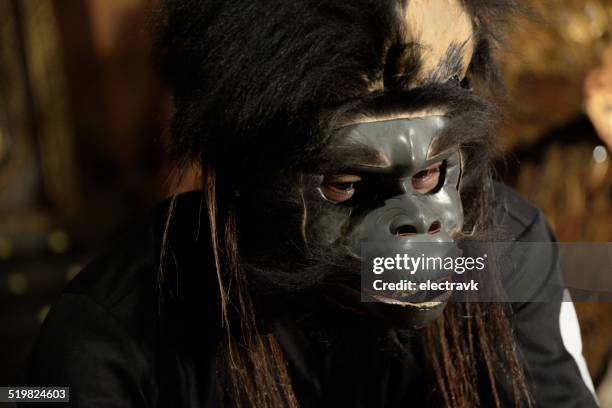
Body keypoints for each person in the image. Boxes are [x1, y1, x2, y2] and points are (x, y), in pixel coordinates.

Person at [24, 0, 599, 406]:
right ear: (255, 179)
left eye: (429, 176)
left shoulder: (503, 252)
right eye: (347, 186)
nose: (418, 228)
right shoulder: (116, 323)